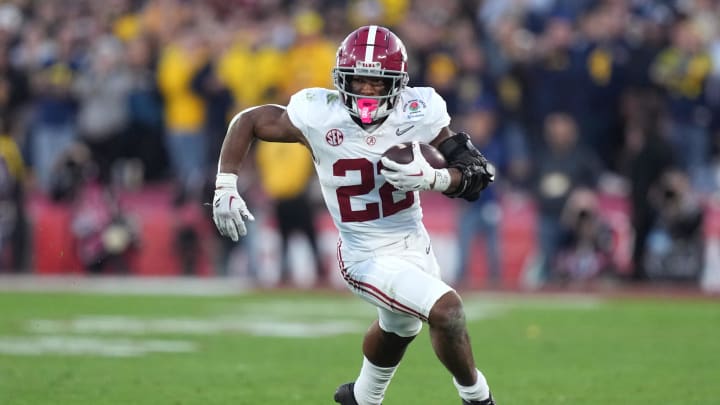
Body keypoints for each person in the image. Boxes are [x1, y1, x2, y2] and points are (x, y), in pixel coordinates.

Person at [212, 26, 496, 405]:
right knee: (447, 310)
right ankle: (479, 399)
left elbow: (476, 173)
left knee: (400, 326)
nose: (364, 91)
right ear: (340, 80)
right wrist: (225, 185)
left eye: (376, 83)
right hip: (364, 254)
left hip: (415, 244)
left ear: (397, 84)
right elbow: (247, 120)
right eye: (357, 80)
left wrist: (436, 177)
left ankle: (361, 398)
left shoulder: (419, 110)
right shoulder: (318, 113)